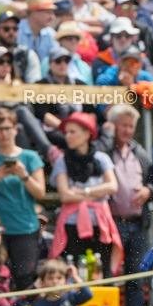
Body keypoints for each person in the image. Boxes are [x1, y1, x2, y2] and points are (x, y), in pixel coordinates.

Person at [93, 103, 153, 306]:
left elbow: (152, 180)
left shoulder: (140, 153)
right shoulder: (103, 151)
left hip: (138, 225)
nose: (127, 130)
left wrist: (149, 191)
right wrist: (108, 134)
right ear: (114, 126)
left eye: (131, 126)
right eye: (123, 126)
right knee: (109, 276)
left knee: (136, 278)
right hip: (111, 224)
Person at [47, 111, 122, 273]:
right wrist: (97, 193)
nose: (68, 136)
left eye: (72, 132)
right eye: (66, 132)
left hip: (100, 225)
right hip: (72, 226)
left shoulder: (101, 158)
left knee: (102, 272)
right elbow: (65, 195)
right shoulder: (62, 161)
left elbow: (112, 186)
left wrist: (83, 191)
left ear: (87, 133)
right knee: (75, 270)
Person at [0, 107, 46, 291]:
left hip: (25, 227)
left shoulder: (29, 157)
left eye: (7, 128)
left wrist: (24, 175)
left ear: (15, 130)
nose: (4, 133)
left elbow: (40, 193)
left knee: (25, 280)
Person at [23, 259, 110, 306]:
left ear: (66, 281)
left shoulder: (70, 295)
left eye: (59, 278)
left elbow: (88, 294)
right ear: (42, 282)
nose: (55, 281)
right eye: (50, 278)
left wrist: (75, 277)